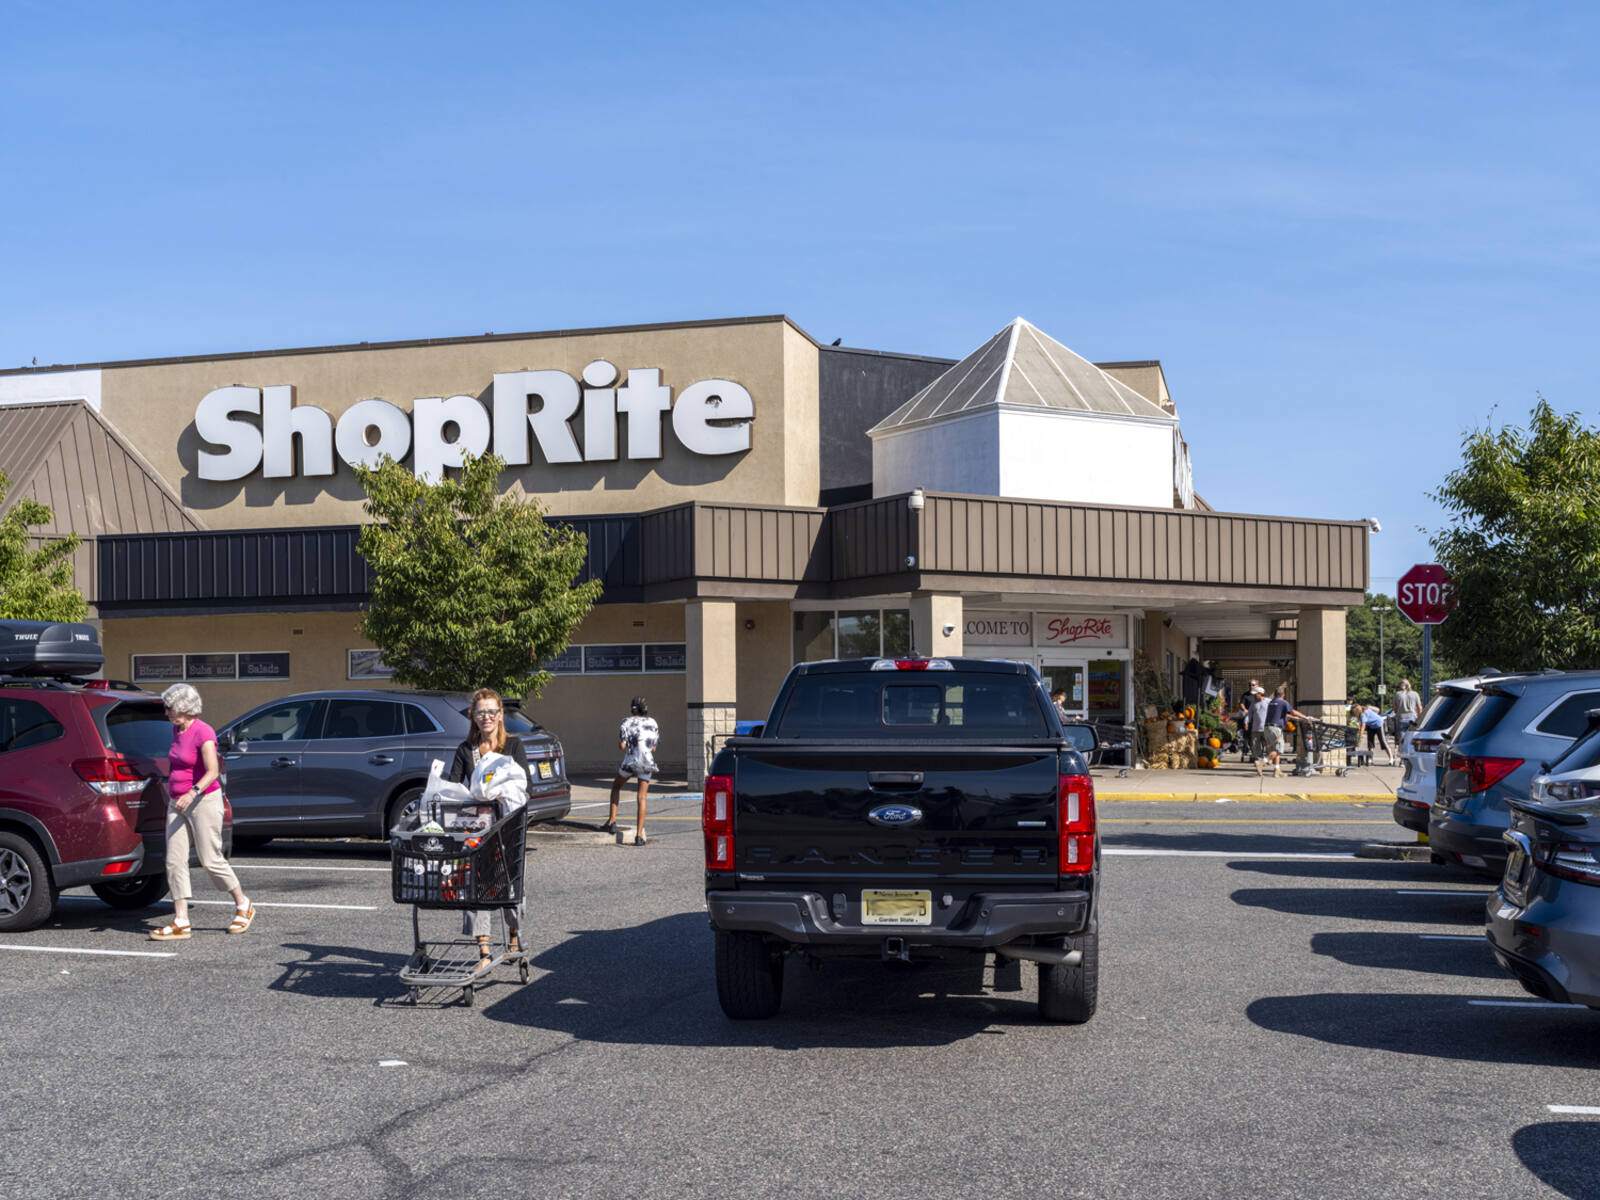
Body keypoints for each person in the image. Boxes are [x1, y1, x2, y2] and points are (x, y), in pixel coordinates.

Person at [149, 684, 253, 940]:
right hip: (177, 802)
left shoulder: (203, 732)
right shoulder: (177, 729)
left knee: (210, 859)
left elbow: (212, 771)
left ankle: (243, 904)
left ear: (184, 708)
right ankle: (181, 920)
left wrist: (192, 792)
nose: (167, 711)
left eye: (170, 707)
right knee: (174, 860)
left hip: (203, 800)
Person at [448, 687, 531, 971]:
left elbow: (524, 787)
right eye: (480, 712)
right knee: (475, 887)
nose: (486, 717)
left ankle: (514, 937)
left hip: (507, 829)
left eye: (491, 712)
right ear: (473, 716)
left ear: (500, 715)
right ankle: (484, 950)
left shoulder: (513, 747)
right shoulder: (465, 751)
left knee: (509, 888)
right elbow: (453, 788)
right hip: (476, 831)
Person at [603, 696, 659, 845]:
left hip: (630, 761)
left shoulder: (625, 722)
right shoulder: (652, 722)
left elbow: (622, 746)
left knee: (616, 786)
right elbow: (654, 747)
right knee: (642, 797)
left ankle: (612, 821)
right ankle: (639, 836)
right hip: (647, 762)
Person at [1357, 700, 1396, 765]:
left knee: (1383, 741)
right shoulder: (1363, 711)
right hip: (1370, 726)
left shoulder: (1363, 713)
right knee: (1370, 742)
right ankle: (1370, 758)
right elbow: (1360, 723)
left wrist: (1360, 736)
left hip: (1379, 724)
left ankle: (1391, 758)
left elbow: (1363, 725)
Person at [1246, 686, 1273, 777]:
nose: (1253, 696)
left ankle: (1266, 759)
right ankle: (1259, 763)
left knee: (1268, 745)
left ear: (1260, 694)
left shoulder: (1269, 702)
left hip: (1266, 728)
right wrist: (1246, 721)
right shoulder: (1253, 703)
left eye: (1255, 694)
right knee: (1256, 747)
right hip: (1255, 729)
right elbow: (1249, 714)